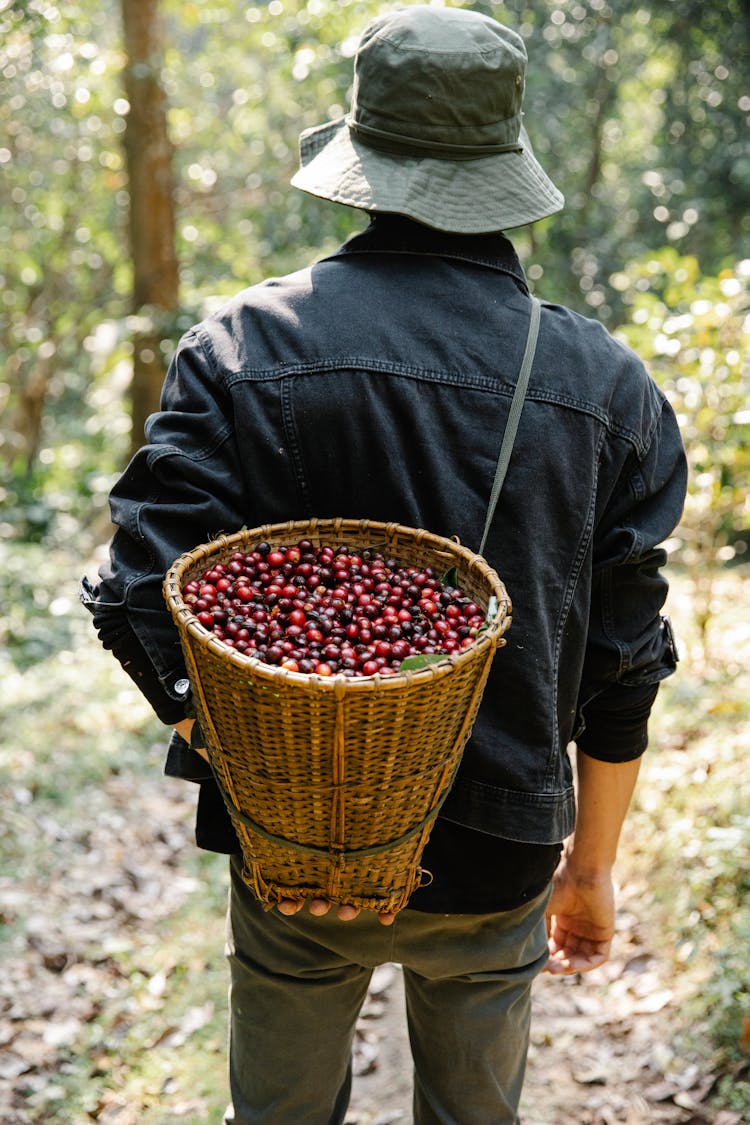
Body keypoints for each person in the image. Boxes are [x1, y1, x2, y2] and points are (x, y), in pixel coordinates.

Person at [82, 6, 687, 1123]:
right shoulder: (608, 389)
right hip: (503, 844)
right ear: (507, 169)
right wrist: (591, 874)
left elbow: (137, 591)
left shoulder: (242, 348)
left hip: (293, 853)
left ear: (359, 165)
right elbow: (626, 661)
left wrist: (255, 761)